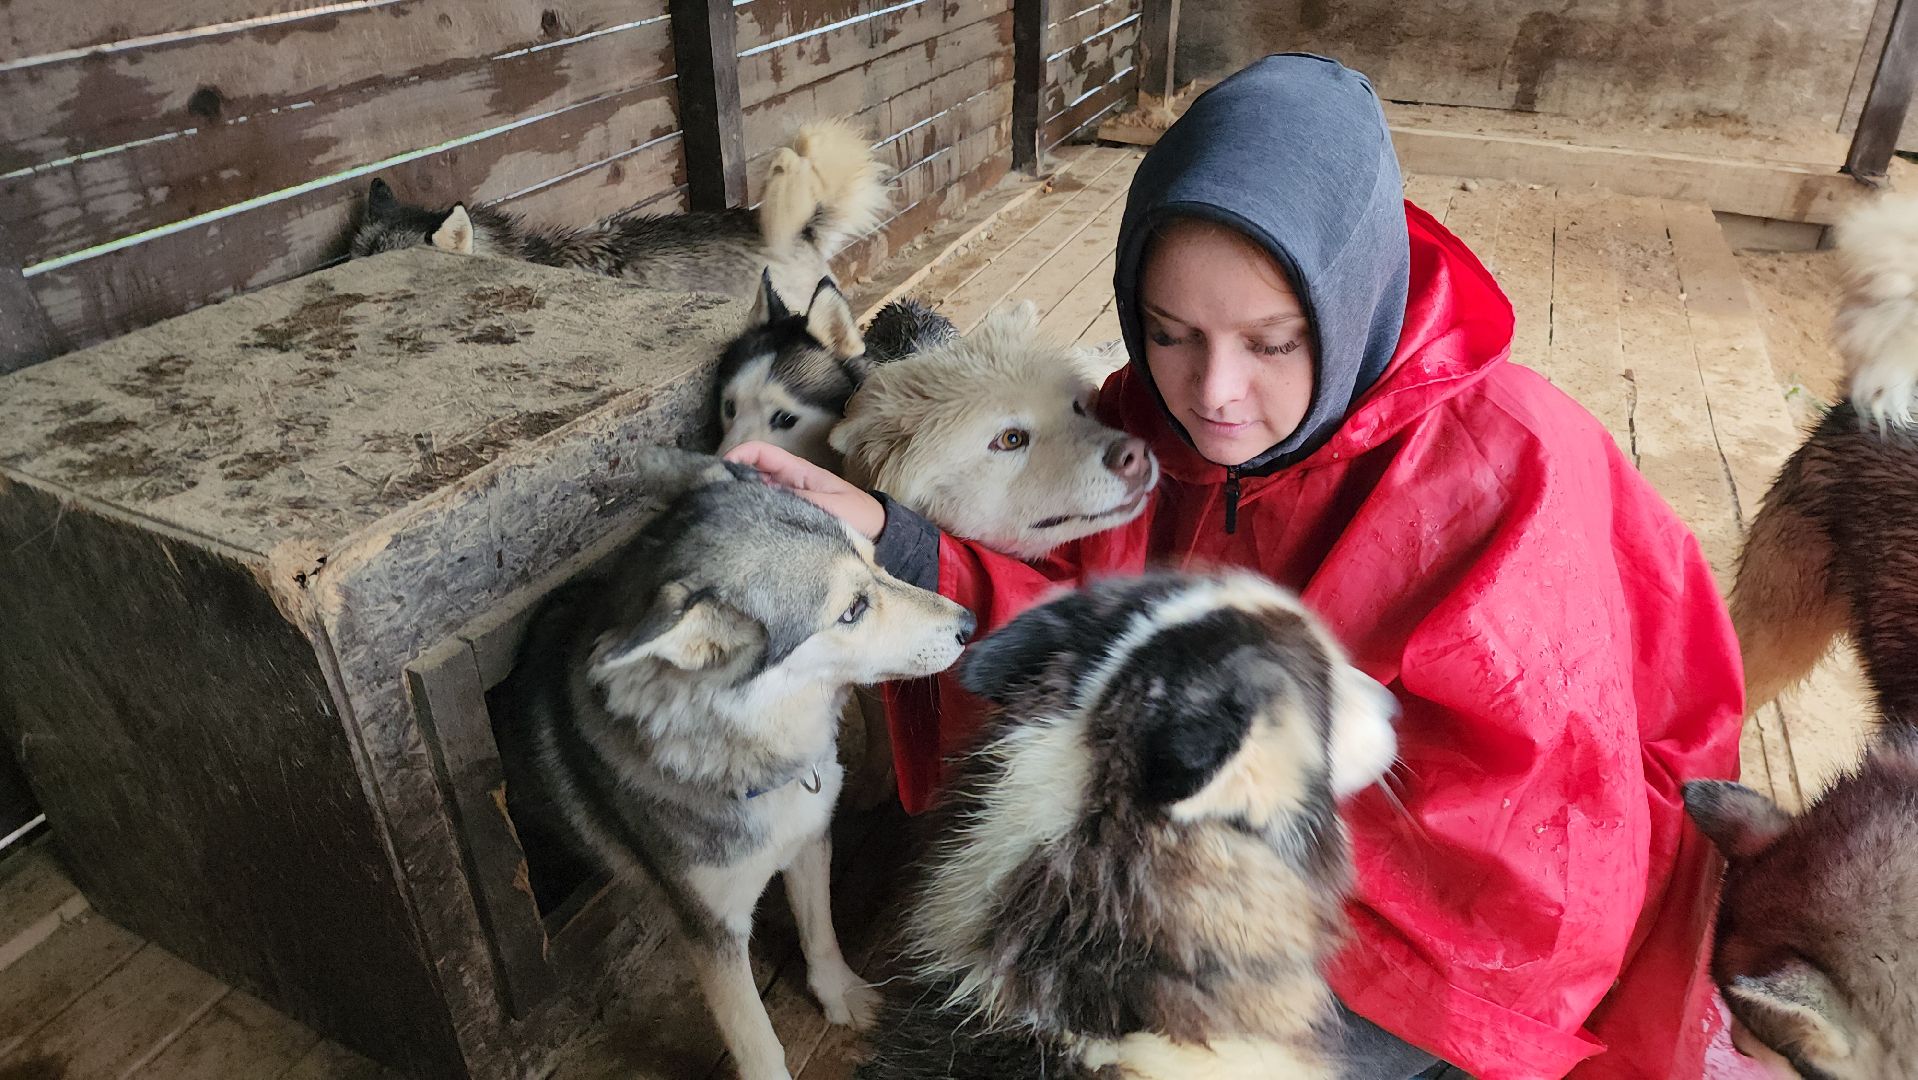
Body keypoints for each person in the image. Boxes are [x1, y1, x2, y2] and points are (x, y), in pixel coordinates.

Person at [729, 54, 1748, 1080]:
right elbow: (1090, 617)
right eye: (1170, 333)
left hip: (1436, 929)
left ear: (1344, 304)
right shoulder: (1146, 415)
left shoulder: (1505, 468)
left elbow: (1546, 832)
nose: (1213, 393)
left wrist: (1199, 791)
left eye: (1272, 342)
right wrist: (898, 540)